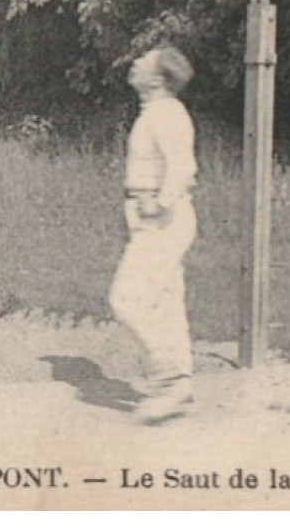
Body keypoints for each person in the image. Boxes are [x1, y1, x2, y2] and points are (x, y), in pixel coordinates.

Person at [108, 44, 199, 424]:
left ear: (158, 79)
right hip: (154, 220)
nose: (134, 63)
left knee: (125, 299)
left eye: (143, 62)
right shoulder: (154, 113)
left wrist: (159, 203)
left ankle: (169, 376)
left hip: (163, 221)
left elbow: (183, 167)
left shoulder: (167, 114)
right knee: (165, 303)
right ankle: (179, 384)